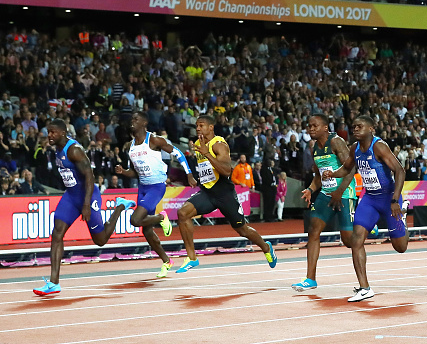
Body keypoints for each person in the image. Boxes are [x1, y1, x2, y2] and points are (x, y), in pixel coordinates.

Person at [33, 119, 136, 296]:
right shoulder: (57, 148)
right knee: (57, 233)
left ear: (63, 133)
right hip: (71, 197)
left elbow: (90, 176)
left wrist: (87, 204)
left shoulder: (74, 150)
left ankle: (119, 206)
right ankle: (54, 283)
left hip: (87, 196)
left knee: (100, 240)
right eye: (48, 132)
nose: (49, 135)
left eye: (52, 132)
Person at [176, 115, 277, 273]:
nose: (197, 128)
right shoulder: (197, 144)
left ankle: (266, 247)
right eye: (196, 125)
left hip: (225, 194)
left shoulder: (219, 144)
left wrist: (207, 154)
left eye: (201, 125)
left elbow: (226, 171)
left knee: (242, 230)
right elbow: (202, 168)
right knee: (182, 213)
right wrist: (191, 175)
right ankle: (192, 258)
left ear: (211, 127)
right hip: (208, 193)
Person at [323, 115, 408, 302]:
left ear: (371, 129)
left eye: (360, 126)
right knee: (356, 240)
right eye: (353, 126)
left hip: (389, 199)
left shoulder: (379, 146)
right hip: (370, 199)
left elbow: (400, 170)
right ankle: (364, 287)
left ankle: (403, 216)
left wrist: (395, 200)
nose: (355, 129)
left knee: (400, 247)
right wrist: (333, 174)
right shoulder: (354, 148)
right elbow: (347, 169)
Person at [116, 112, 198, 278]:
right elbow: (136, 172)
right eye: (132, 119)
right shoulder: (130, 146)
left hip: (156, 187)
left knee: (135, 220)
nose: (132, 121)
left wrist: (188, 173)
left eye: (136, 119)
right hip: (143, 187)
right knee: (146, 231)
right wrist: (124, 172)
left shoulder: (154, 140)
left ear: (145, 123)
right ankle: (166, 261)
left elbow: (179, 153)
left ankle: (162, 218)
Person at [292, 114, 357, 292]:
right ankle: (310, 279)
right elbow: (319, 175)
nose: (311, 129)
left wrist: (339, 191)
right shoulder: (314, 147)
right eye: (309, 126)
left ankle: (365, 224)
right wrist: (311, 189)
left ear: (325, 128)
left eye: (315, 126)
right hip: (326, 194)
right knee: (313, 230)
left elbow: (351, 169)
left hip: (344, 193)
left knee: (349, 241)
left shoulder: (336, 142)